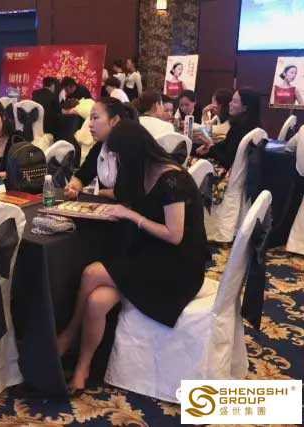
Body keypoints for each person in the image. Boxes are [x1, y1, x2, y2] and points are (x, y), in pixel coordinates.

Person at [57, 119, 208, 390]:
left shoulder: (173, 179)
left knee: (91, 273)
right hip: (151, 256)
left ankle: (69, 334)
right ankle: (82, 369)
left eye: (119, 156)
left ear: (136, 153)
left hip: (178, 266)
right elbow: (122, 194)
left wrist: (131, 215)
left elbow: (174, 235)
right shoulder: (140, 172)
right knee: (96, 301)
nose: (117, 162)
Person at [64, 97, 136, 200]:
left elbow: (126, 193)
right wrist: (73, 187)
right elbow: (82, 176)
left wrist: (102, 193)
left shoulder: (131, 147)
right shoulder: (100, 146)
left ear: (114, 120)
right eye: (90, 119)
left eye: (95, 118)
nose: (90, 124)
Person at [195, 87, 261, 170]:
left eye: (234, 101)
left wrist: (211, 147)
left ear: (244, 108)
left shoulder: (238, 127)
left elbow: (227, 159)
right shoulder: (252, 125)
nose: (230, 104)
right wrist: (210, 147)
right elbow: (225, 146)